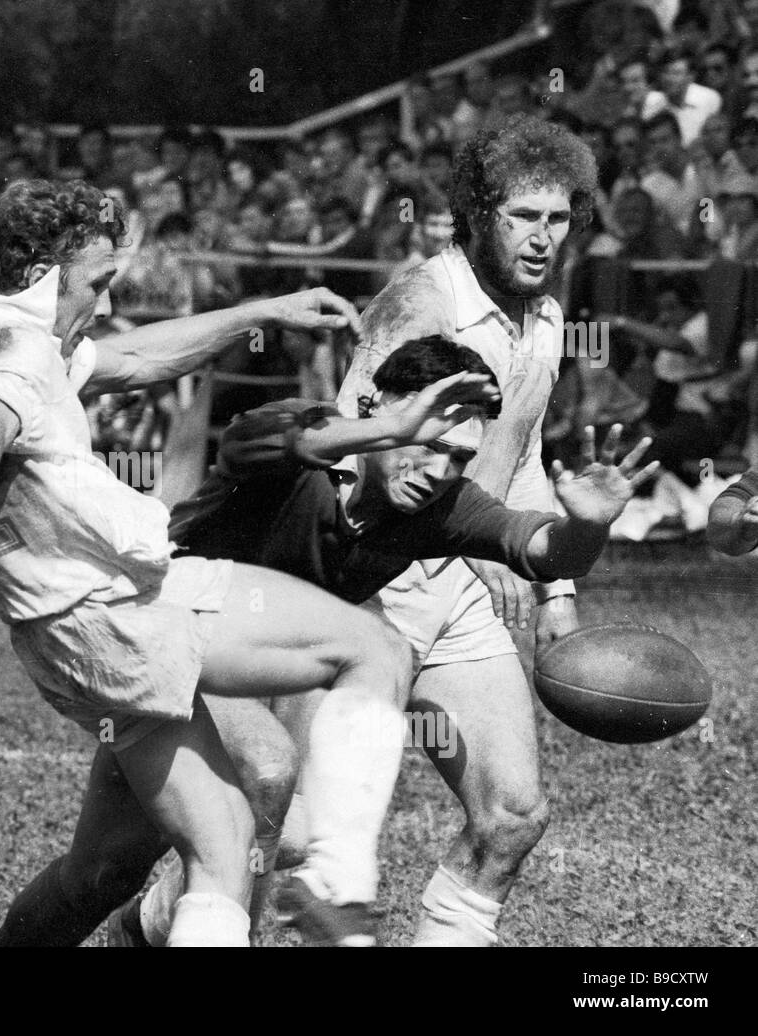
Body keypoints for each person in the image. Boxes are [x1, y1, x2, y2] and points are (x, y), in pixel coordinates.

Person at [0, 178, 497, 947]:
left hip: (69, 632)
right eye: (97, 283)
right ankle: (335, 888)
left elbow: (133, 357)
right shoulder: (12, 351)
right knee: (375, 649)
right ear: (41, 279)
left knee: (213, 851)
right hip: (123, 610)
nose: (106, 301)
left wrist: (262, 311)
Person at [101, 337, 656, 947]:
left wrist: (587, 527)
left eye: (459, 457)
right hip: (162, 631)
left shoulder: (442, 504)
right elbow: (254, 441)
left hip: (272, 656)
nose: (440, 470)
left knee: (91, 880)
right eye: (427, 441)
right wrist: (389, 429)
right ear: (377, 407)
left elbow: (543, 549)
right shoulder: (307, 438)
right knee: (265, 779)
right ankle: (210, 912)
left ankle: (158, 924)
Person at [328, 115, 602, 947]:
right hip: (363, 589)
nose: (541, 237)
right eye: (522, 216)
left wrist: (556, 586)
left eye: (558, 218)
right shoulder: (420, 301)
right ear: (478, 213)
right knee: (281, 829)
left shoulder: (548, 315)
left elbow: (520, 452)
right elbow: (359, 454)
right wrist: (463, 533)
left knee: (512, 814)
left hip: (461, 594)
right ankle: (154, 928)